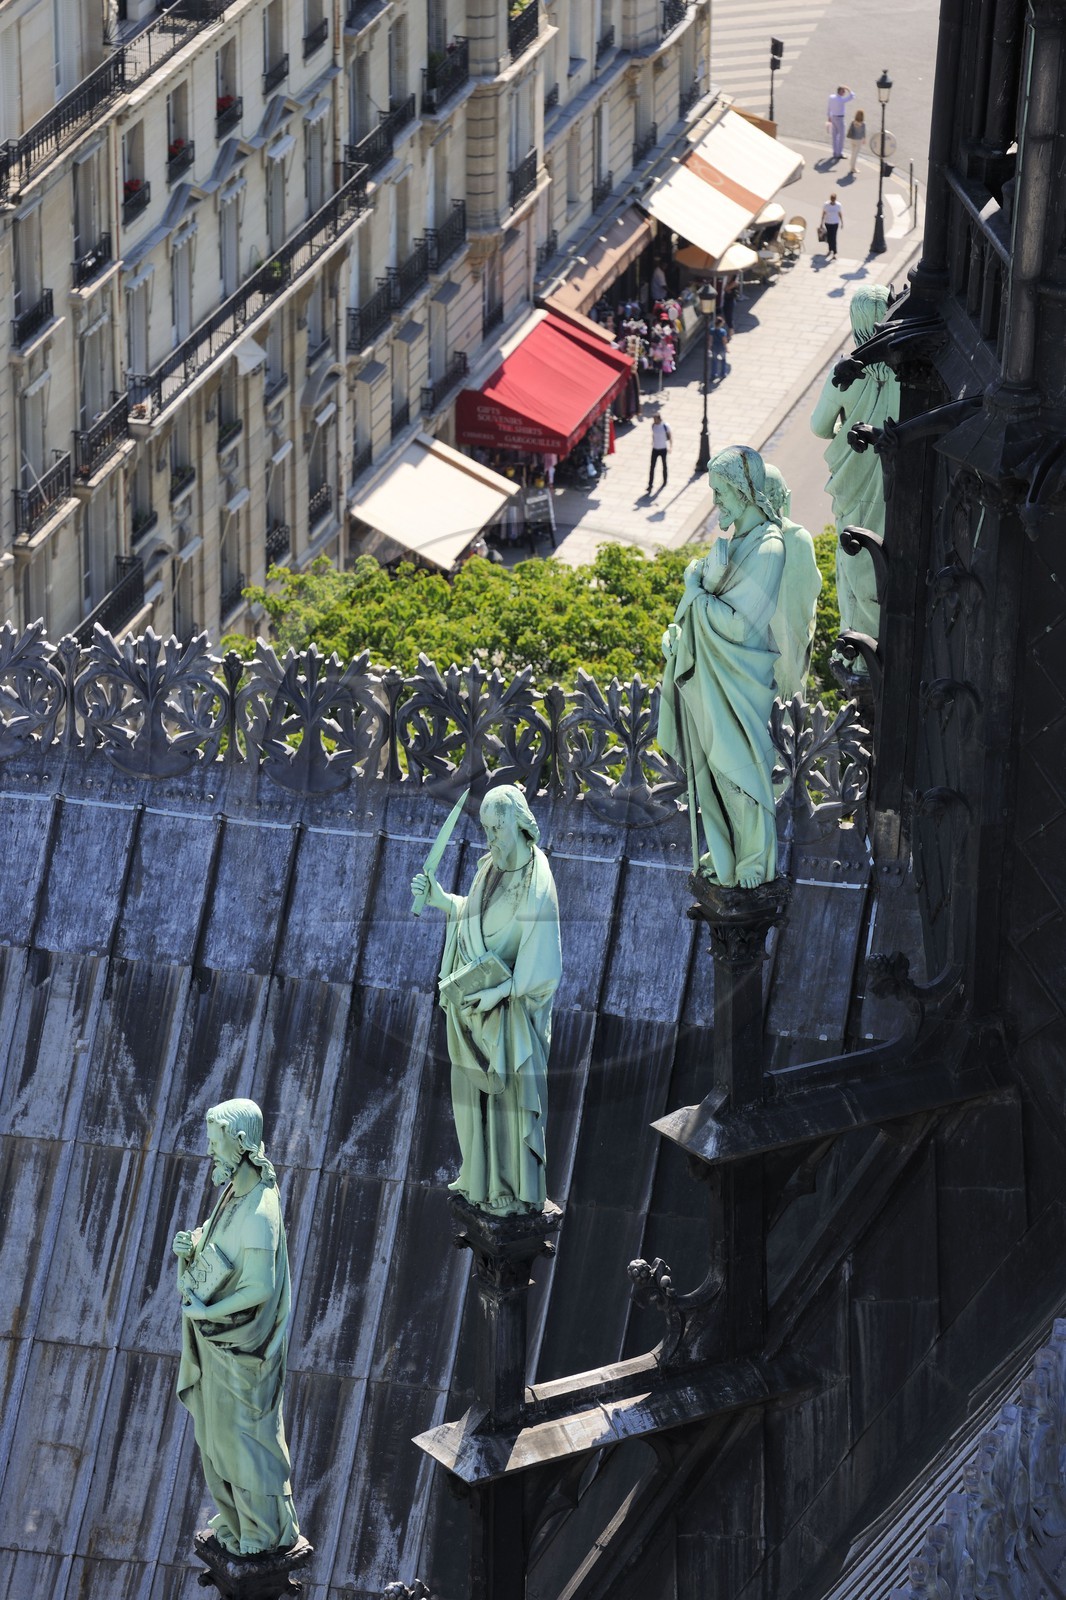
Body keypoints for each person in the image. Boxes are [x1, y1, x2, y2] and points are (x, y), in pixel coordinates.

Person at [411, 786, 561, 1216]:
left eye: (497, 829)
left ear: (520, 823)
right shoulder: (489, 870)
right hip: (472, 1015)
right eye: (486, 829)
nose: (491, 838)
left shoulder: (538, 884)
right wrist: (442, 900)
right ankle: (479, 1174)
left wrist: (499, 991)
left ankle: (508, 1188)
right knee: (469, 1099)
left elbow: (545, 968)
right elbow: (470, 918)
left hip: (511, 1024)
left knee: (505, 1104)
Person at [173, 1099, 300, 1559]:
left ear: (240, 1144)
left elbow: (261, 1288)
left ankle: (264, 1530)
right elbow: (217, 1237)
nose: (210, 1150)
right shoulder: (235, 1190)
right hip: (219, 1343)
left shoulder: (260, 1211)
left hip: (243, 1350)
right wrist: (192, 1243)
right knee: (216, 1438)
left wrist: (208, 1313)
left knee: (246, 1441)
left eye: (214, 1142)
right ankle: (234, 1516)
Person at [659, 446, 785, 890]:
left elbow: (740, 624)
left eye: (720, 493)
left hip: (739, 679)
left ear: (743, 491)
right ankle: (728, 847)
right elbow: (699, 615)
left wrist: (694, 592)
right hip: (715, 676)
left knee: (739, 768)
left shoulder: (769, 548)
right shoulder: (735, 545)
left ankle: (755, 856)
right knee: (714, 768)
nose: (716, 503)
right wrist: (678, 634)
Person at [810, 284, 899, 646]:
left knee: (855, 557)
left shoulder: (845, 373)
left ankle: (861, 649)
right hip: (892, 479)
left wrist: (842, 428)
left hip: (853, 476)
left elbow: (818, 427)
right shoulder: (903, 371)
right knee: (889, 556)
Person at [762, 464, 823, 700]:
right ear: (783, 499)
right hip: (790, 647)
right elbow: (811, 591)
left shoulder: (743, 545)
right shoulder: (799, 538)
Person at [826, 83, 855, 160]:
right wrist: (848, 88)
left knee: (834, 136)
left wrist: (829, 116)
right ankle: (839, 153)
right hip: (839, 119)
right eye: (843, 91)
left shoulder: (831, 97)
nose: (844, 93)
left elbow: (829, 107)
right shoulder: (841, 100)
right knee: (841, 136)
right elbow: (852, 96)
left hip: (833, 117)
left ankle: (835, 152)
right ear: (840, 92)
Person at [647, 411, 671, 492]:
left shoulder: (665, 426)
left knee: (664, 465)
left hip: (663, 449)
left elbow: (670, 436)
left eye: (655, 419)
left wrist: (670, 447)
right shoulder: (653, 426)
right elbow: (653, 434)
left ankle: (664, 481)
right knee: (652, 467)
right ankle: (650, 484)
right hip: (655, 449)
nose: (654, 421)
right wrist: (653, 441)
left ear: (658, 419)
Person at [821, 193, 843, 259]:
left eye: (834, 199)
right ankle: (830, 250)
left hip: (835, 223)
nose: (832, 200)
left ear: (835, 199)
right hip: (828, 222)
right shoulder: (826, 205)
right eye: (832, 199)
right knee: (829, 238)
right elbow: (824, 213)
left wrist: (842, 222)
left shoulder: (838, 205)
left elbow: (840, 213)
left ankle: (834, 252)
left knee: (833, 237)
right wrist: (821, 223)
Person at [710, 315, 731, 382]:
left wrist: (709, 347)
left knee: (714, 361)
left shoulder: (712, 330)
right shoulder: (723, 331)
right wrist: (727, 348)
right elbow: (724, 341)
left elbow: (710, 340)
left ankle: (714, 374)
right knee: (723, 360)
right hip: (721, 347)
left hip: (714, 347)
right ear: (720, 323)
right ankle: (723, 373)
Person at [846, 108, 867, 174]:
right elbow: (864, 133)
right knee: (855, 154)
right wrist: (864, 139)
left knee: (853, 153)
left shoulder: (853, 122)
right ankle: (853, 167)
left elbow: (850, 129)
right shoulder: (863, 124)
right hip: (858, 140)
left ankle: (851, 165)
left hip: (852, 139)